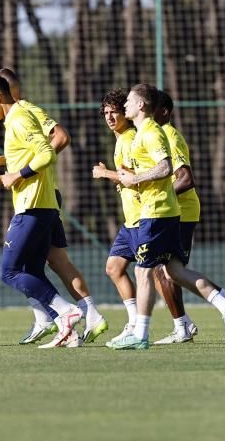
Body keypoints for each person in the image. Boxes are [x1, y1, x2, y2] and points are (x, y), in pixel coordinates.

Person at [107, 84, 225, 350]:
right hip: (164, 211)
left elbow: (167, 168)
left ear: (141, 105)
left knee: (143, 270)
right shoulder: (141, 134)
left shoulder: (154, 133)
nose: (124, 105)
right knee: (173, 271)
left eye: (128, 101)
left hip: (157, 212)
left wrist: (135, 179)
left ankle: (141, 333)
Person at [0, 68, 107, 344]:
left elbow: (58, 140)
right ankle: (71, 323)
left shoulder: (25, 112)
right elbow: (33, 151)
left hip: (38, 199)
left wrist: (19, 173)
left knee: (17, 269)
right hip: (41, 198)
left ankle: (68, 314)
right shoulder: (15, 118)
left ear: (2, 92)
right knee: (46, 264)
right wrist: (4, 163)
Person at [92, 89, 142, 346]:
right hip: (130, 220)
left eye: (115, 112)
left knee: (161, 276)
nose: (110, 117)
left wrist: (106, 174)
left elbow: (136, 178)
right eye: (106, 113)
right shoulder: (121, 139)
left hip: (143, 218)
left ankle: (184, 321)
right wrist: (115, 177)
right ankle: (133, 323)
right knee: (114, 268)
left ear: (126, 113)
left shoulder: (130, 138)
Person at [151, 91, 202, 344]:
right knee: (157, 270)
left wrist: (159, 196)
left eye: (151, 108)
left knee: (168, 271)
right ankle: (183, 324)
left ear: (164, 112)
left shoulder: (170, 136)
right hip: (170, 212)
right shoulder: (155, 136)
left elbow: (186, 178)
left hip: (182, 212)